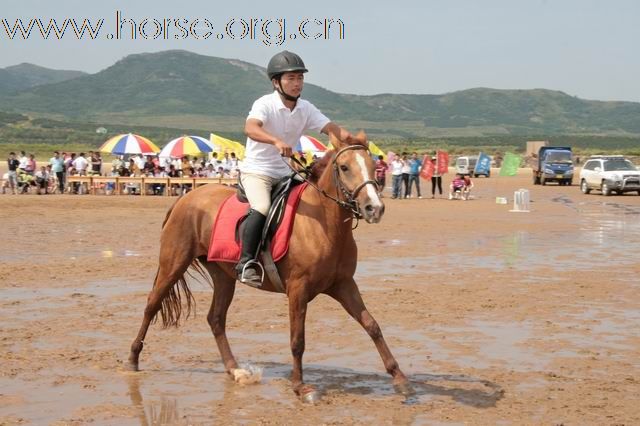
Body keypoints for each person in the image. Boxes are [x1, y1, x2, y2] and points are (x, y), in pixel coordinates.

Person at [237, 50, 351, 286]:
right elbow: (250, 128)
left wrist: (352, 140)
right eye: (290, 78)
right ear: (276, 82)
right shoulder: (264, 104)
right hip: (258, 171)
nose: (297, 83)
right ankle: (246, 262)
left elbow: (330, 128)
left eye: (299, 78)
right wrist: (276, 141)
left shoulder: (306, 108)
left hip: (286, 173)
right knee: (262, 206)